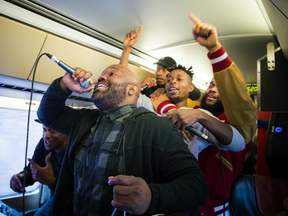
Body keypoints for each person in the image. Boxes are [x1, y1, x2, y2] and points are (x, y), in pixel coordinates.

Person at [37, 64, 208, 215]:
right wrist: (62, 86)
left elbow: (196, 186)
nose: (101, 76)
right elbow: (48, 115)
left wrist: (152, 197)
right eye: (102, 73)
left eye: (112, 73)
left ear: (132, 89)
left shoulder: (156, 127)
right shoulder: (83, 120)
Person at [162, 13, 257, 215]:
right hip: (183, 199)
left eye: (218, 86)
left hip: (217, 205)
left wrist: (214, 49)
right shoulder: (194, 111)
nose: (212, 90)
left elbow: (238, 100)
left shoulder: (234, 121)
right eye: (210, 86)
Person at [119, 26, 201, 101]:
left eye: (164, 70)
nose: (158, 73)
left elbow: (196, 94)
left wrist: (168, 87)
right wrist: (141, 86)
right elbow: (127, 98)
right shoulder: (150, 87)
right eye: (158, 69)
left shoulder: (178, 91)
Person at [10, 120, 68, 216]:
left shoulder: (75, 152)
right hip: (56, 197)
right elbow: (33, 169)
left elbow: (75, 193)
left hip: (70, 202)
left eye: (52, 131)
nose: (46, 135)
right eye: (44, 129)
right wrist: (21, 178)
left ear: (66, 131)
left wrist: (52, 182)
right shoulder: (44, 144)